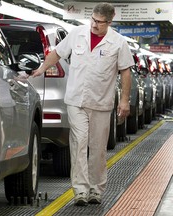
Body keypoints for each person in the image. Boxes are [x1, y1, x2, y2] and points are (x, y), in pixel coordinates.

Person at [31, 3, 133, 206]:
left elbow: (125, 71)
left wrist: (124, 101)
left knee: (98, 148)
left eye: (99, 22)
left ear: (109, 22)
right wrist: (41, 69)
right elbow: (58, 53)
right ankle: (80, 191)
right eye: (93, 20)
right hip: (76, 100)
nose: (94, 25)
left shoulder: (118, 42)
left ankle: (96, 189)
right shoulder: (77, 33)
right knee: (78, 144)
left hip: (101, 103)